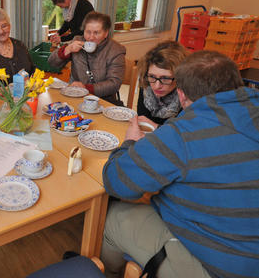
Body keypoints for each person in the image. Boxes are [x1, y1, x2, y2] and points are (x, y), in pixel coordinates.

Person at [100, 51, 259, 278]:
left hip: (222, 268)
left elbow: (116, 181)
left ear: (181, 95)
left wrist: (129, 143)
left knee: (115, 216)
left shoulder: (182, 133)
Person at [48, 11, 125, 105]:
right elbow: (52, 63)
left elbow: (114, 83)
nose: (91, 37)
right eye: (88, 32)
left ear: (106, 33)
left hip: (102, 101)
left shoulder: (116, 50)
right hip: (75, 97)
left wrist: (86, 88)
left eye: (96, 33)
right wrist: (67, 49)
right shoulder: (77, 41)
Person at [136, 41, 188, 127]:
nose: (157, 86)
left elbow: (185, 134)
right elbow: (143, 119)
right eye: (152, 76)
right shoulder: (147, 82)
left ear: (180, 77)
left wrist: (156, 127)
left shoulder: (188, 96)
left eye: (165, 78)